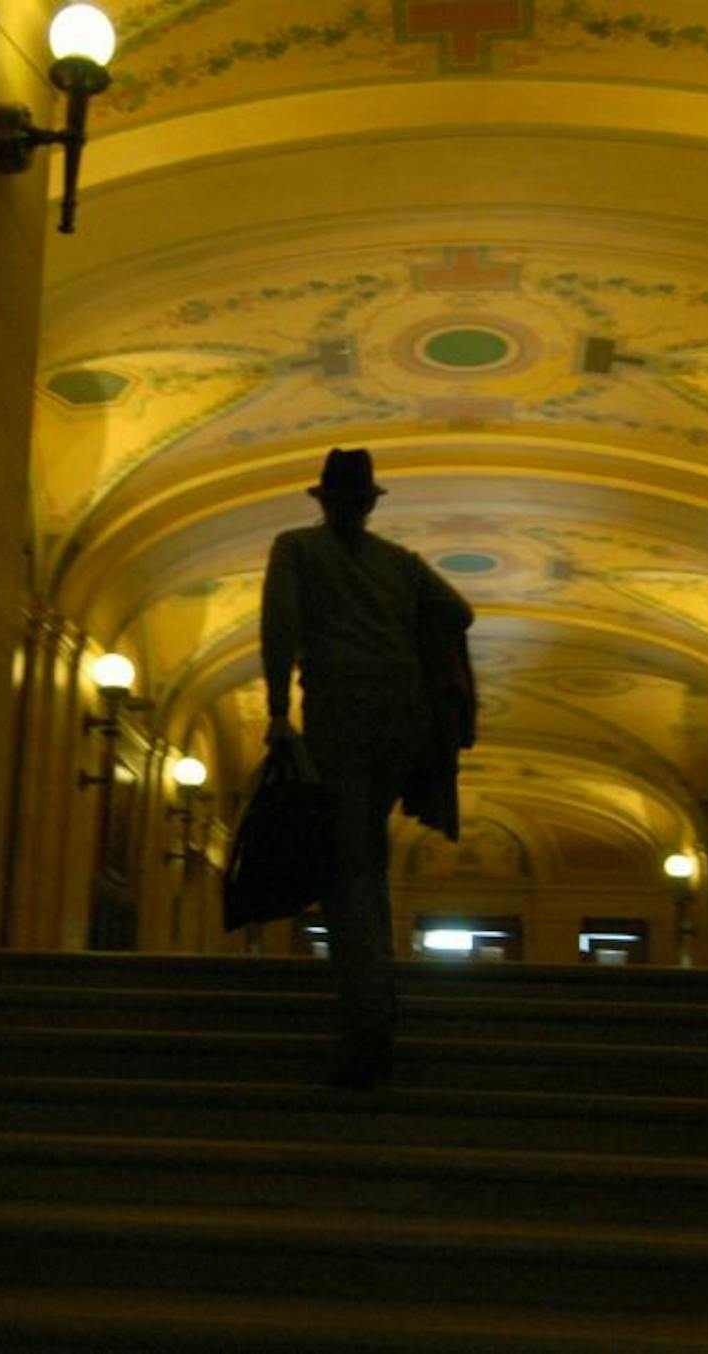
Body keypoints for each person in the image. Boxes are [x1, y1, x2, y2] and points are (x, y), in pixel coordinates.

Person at [260, 448, 474, 1089]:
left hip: (341, 713)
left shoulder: (296, 548)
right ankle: (379, 990)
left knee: (345, 864)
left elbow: (279, 628)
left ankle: (369, 1023)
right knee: (367, 856)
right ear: (370, 502)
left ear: (323, 502)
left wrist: (276, 709)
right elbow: (458, 611)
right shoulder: (400, 565)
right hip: (402, 718)